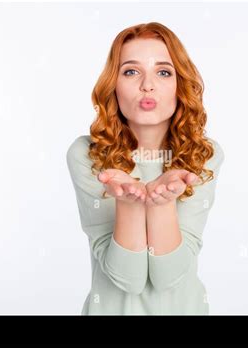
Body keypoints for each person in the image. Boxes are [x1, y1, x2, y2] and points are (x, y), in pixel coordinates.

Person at [66, 22, 224, 315]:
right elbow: (128, 279)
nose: (147, 85)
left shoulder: (203, 155)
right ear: (113, 85)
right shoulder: (87, 154)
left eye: (163, 72)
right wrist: (130, 204)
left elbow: (168, 278)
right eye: (131, 71)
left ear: (180, 85)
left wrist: (160, 204)